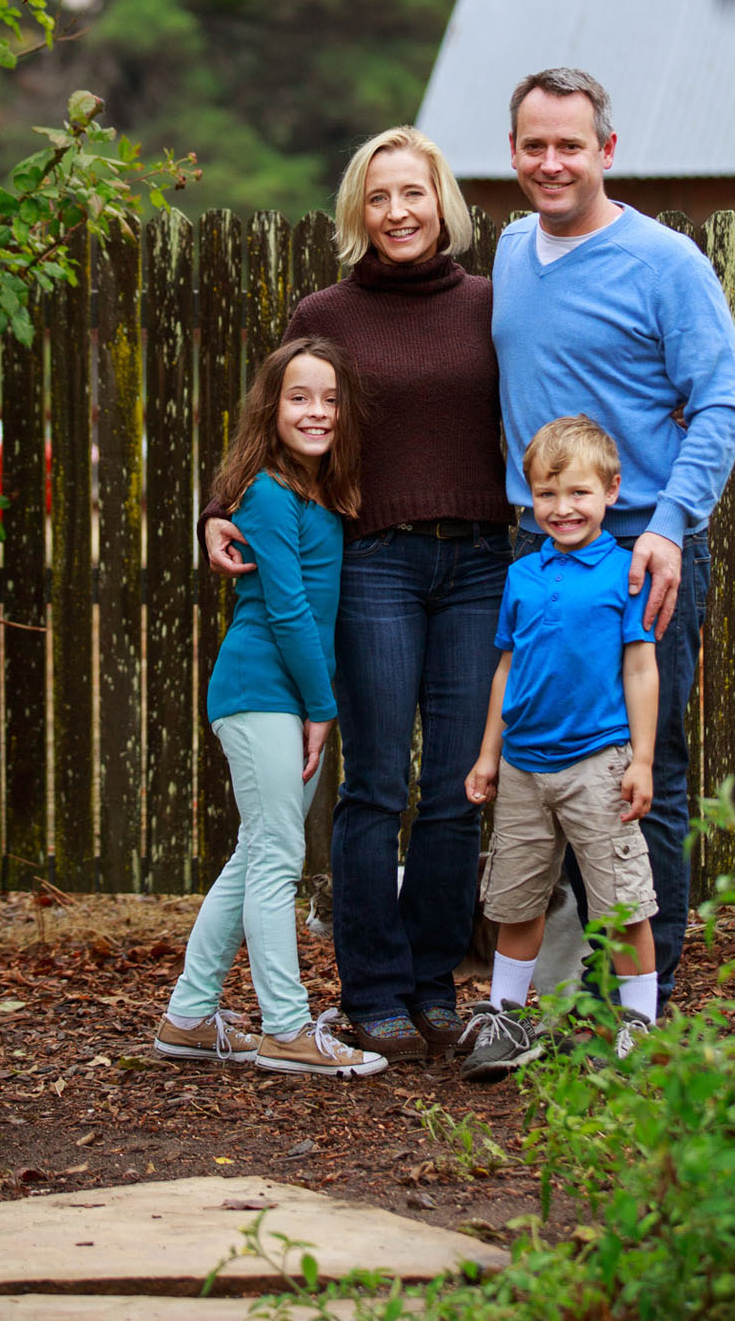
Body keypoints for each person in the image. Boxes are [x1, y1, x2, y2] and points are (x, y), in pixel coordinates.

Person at [201, 126, 512, 1062]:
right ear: (356, 211)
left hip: (482, 564)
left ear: (442, 202)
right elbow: (280, 419)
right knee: (375, 784)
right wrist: (222, 507)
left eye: (412, 194)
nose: (397, 213)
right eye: (377, 198)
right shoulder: (325, 311)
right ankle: (372, 989)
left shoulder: (494, 308)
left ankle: (432, 987)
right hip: (373, 562)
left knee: (458, 788)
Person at [491, 68, 735, 1015]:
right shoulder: (514, 251)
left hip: (640, 547)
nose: (550, 162)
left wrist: (673, 527)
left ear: (606, 149)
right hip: (536, 549)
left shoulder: (665, 261)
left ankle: (639, 997)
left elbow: (723, 400)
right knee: (540, 764)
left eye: (569, 144)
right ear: (512, 152)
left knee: (645, 771)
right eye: (532, 145)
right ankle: (550, 991)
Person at [156, 338, 387, 1078]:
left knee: (255, 852)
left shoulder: (319, 490)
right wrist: (323, 707)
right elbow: (286, 610)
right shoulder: (265, 492)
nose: (315, 411)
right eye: (298, 397)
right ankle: (286, 1028)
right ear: (271, 406)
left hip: (285, 697)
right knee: (278, 857)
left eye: (329, 398)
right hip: (262, 692)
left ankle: (188, 1018)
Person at [459, 415, 659, 1079]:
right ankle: (508, 1019)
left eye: (576, 493)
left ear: (610, 491)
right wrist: (489, 755)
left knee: (621, 904)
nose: (561, 508)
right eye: (546, 495)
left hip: (596, 763)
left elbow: (639, 668)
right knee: (515, 902)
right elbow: (506, 670)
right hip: (521, 766)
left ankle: (638, 1027)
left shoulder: (624, 572)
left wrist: (641, 759)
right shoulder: (522, 575)